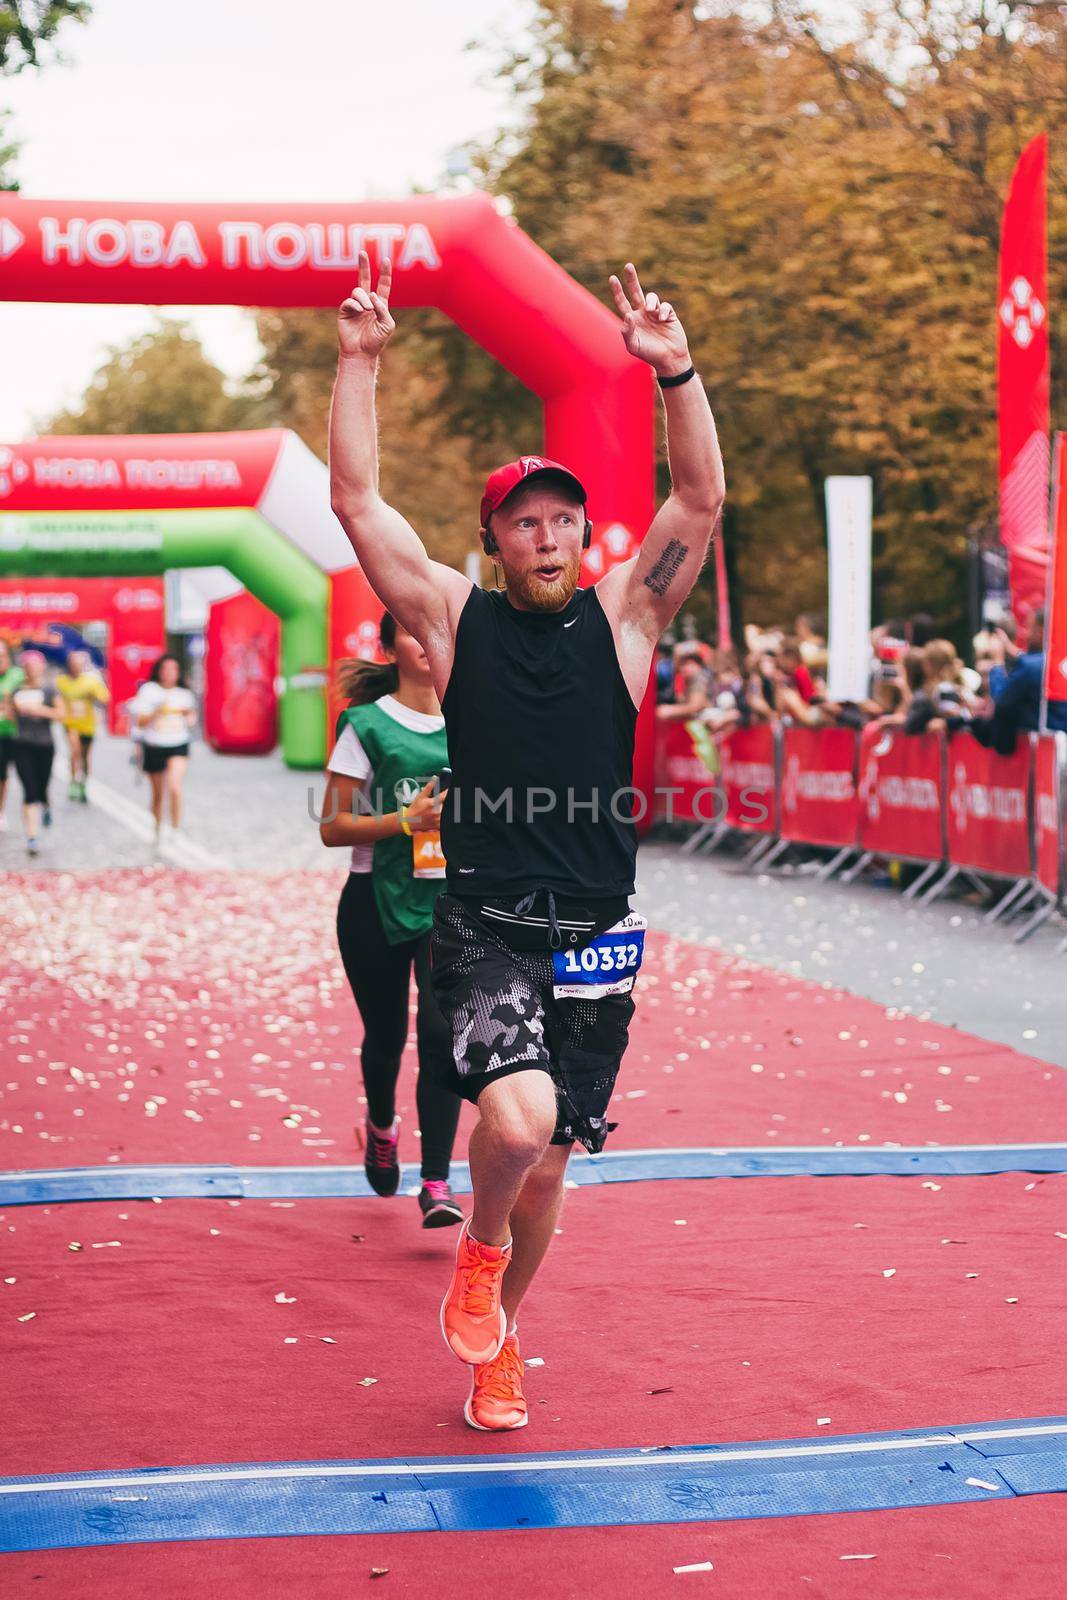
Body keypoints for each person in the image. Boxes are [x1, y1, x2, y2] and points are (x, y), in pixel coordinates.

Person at [330, 251, 724, 1431]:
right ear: (495, 539)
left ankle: (500, 1339)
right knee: (516, 1122)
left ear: (585, 536)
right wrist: (357, 361)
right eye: (523, 521)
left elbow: (697, 502)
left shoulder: (627, 619)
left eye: (562, 520)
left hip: (598, 934)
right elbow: (358, 504)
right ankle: (478, 1253)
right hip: (485, 924)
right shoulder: (454, 622)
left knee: (551, 1157)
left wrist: (677, 372)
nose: (545, 537)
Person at [319, 613, 464, 1228]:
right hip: (372, 900)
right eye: (410, 630)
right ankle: (381, 1126)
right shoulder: (366, 724)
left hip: (449, 905)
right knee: (386, 1039)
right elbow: (332, 827)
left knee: (441, 1036)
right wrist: (407, 823)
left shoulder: (474, 720)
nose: (428, 641)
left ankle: (436, 1180)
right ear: (387, 647)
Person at [130, 655, 197, 843]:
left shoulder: (184, 694)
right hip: (154, 744)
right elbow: (140, 722)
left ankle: (175, 827)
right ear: (159, 671)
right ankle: (157, 825)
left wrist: (187, 716)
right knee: (158, 793)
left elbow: (192, 719)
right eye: (166, 669)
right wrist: (158, 711)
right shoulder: (149, 691)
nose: (170, 673)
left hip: (178, 743)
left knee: (175, 786)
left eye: (174, 669)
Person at [10, 650, 62, 857]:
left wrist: (38, 710)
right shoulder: (16, 691)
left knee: (42, 785)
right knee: (29, 790)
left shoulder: (49, 690)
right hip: (22, 745)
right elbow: (10, 715)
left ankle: (46, 803)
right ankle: (32, 836)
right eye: (28, 667)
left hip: (44, 744)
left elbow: (60, 714)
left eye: (35, 666)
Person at [55, 649, 110, 802]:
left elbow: (104, 698)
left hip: (87, 723)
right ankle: (73, 781)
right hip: (71, 722)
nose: (75, 666)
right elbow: (57, 697)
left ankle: (84, 782)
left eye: (78, 663)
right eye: (73, 663)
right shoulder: (62, 681)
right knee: (74, 751)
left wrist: (92, 694)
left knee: (85, 756)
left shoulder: (91, 681)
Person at [0, 638, 25, 832]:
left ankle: (0, 810)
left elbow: (12, 690)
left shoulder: (16, 674)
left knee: (2, 776)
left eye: (2, 655)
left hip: (9, 733)